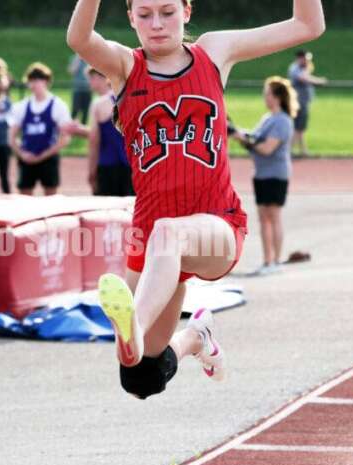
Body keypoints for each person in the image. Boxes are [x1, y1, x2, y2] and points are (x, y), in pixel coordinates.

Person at [68, 0, 324, 399]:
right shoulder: (125, 67)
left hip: (215, 227)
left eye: (167, 12)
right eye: (145, 15)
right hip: (151, 239)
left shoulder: (214, 52)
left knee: (170, 235)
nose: (157, 25)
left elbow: (308, 25)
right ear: (130, 17)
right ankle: (196, 337)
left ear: (187, 11)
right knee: (140, 379)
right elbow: (79, 38)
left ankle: (133, 321)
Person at [232, 77, 297, 276]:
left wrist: (243, 139)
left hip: (275, 174)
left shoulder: (282, 121)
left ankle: (274, 261)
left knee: (273, 216)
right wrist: (237, 133)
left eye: (267, 93)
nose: (264, 97)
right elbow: (254, 138)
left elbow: (267, 148)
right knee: (263, 217)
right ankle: (267, 260)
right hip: (262, 174)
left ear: (277, 97)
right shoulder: (268, 118)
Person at [7, 62, 72, 196]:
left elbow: (65, 139)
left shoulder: (58, 105)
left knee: (51, 196)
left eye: (38, 80)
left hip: (48, 158)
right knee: (24, 196)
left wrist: (42, 156)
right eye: (31, 80)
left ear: (46, 81)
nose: (34, 84)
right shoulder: (22, 106)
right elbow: (11, 137)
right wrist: (22, 154)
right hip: (27, 158)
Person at [87, 68, 133, 196]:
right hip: (132, 167)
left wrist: (91, 171)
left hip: (107, 166)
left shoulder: (99, 104)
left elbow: (94, 142)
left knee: (104, 212)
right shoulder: (138, 101)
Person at [288, 50, 327, 157]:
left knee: (301, 128)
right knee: (297, 127)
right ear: (300, 58)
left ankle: (303, 151)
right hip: (298, 102)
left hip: (303, 101)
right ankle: (289, 150)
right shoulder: (295, 68)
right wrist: (319, 81)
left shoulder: (302, 68)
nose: (307, 61)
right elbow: (304, 78)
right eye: (305, 59)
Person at [68, 53, 92, 124]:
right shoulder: (74, 58)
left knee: (86, 110)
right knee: (75, 108)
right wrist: (77, 59)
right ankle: (72, 125)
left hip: (87, 88)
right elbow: (71, 71)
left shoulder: (90, 59)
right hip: (77, 88)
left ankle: (83, 127)